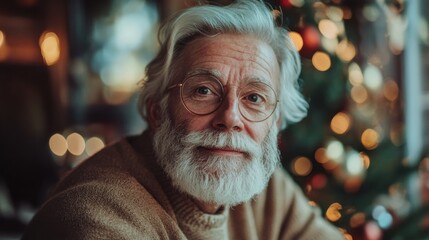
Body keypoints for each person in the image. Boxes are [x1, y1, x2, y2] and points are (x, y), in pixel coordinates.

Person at [23, 0, 344, 239]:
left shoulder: (262, 184)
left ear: (274, 123)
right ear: (157, 111)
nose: (230, 118)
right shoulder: (96, 217)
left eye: (254, 98)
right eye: (203, 91)